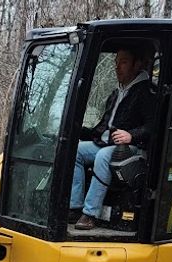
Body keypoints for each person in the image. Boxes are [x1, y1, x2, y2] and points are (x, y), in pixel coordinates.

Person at [70, 44, 157, 230]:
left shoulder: (146, 92)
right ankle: (75, 206)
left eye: (123, 62)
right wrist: (79, 131)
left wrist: (131, 136)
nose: (117, 67)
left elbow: (153, 126)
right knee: (74, 151)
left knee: (103, 157)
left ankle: (89, 214)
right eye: (116, 62)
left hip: (131, 149)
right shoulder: (117, 92)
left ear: (137, 64)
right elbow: (103, 127)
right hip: (107, 143)